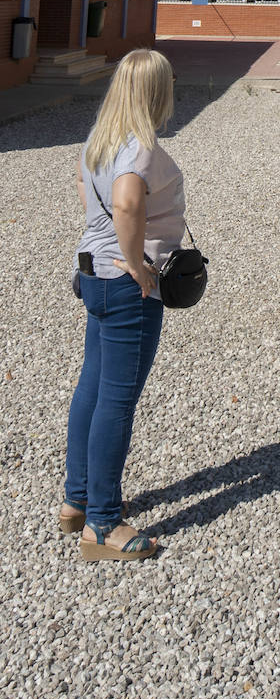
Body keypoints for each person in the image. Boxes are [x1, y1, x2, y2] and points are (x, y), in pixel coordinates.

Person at [60, 47, 184, 561]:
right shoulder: (138, 147)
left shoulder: (101, 138)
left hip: (92, 274)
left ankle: (78, 499)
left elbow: (95, 199)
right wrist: (135, 264)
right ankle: (103, 526)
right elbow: (128, 202)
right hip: (124, 285)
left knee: (93, 386)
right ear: (156, 90)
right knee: (117, 400)